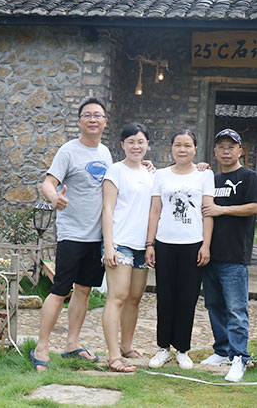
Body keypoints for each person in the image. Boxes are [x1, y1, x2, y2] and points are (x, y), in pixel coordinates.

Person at [29, 97, 112, 372]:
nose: (92, 119)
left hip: (96, 236)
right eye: (87, 115)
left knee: (84, 289)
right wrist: (55, 198)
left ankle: (71, 344)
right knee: (60, 289)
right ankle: (41, 347)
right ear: (79, 121)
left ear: (105, 122)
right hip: (72, 234)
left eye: (97, 115)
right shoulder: (68, 151)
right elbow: (48, 183)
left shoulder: (106, 153)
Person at [146, 129, 215, 370]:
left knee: (187, 298)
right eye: (178, 145)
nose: (182, 149)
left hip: (193, 244)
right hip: (164, 243)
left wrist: (206, 245)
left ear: (195, 149)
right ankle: (163, 348)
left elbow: (207, 212)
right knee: (164, 297)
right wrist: (150, 244)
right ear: (171, 148)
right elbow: (155, 211)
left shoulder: (205, 175)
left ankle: (182, 349)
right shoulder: (161, 175)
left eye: (187, 145)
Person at [200, 129, 257, 382]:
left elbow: (256, 207)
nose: (226, 151)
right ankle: (222, 350)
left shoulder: (248, 176)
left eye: (231, 147)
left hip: (235, 255)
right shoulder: (211, 179)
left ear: (240, 151)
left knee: (236, 309)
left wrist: (222, 210)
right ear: (215, 152)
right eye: (221, 147)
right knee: (214, 305)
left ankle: (239, 357)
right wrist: (198, 169)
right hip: (209, 254)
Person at [100, 123, 153, 373]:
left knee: (134, 298)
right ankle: (113, 357)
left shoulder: (150, 173)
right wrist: (109, 246)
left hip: (142, 245)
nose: (136, 146)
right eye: (131, 141)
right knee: (117, 297)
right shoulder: (115, 171)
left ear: (147, 145)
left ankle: (127, 347)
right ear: (122, 144)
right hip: (120, 243)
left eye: (140, 141)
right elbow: (107, 209)